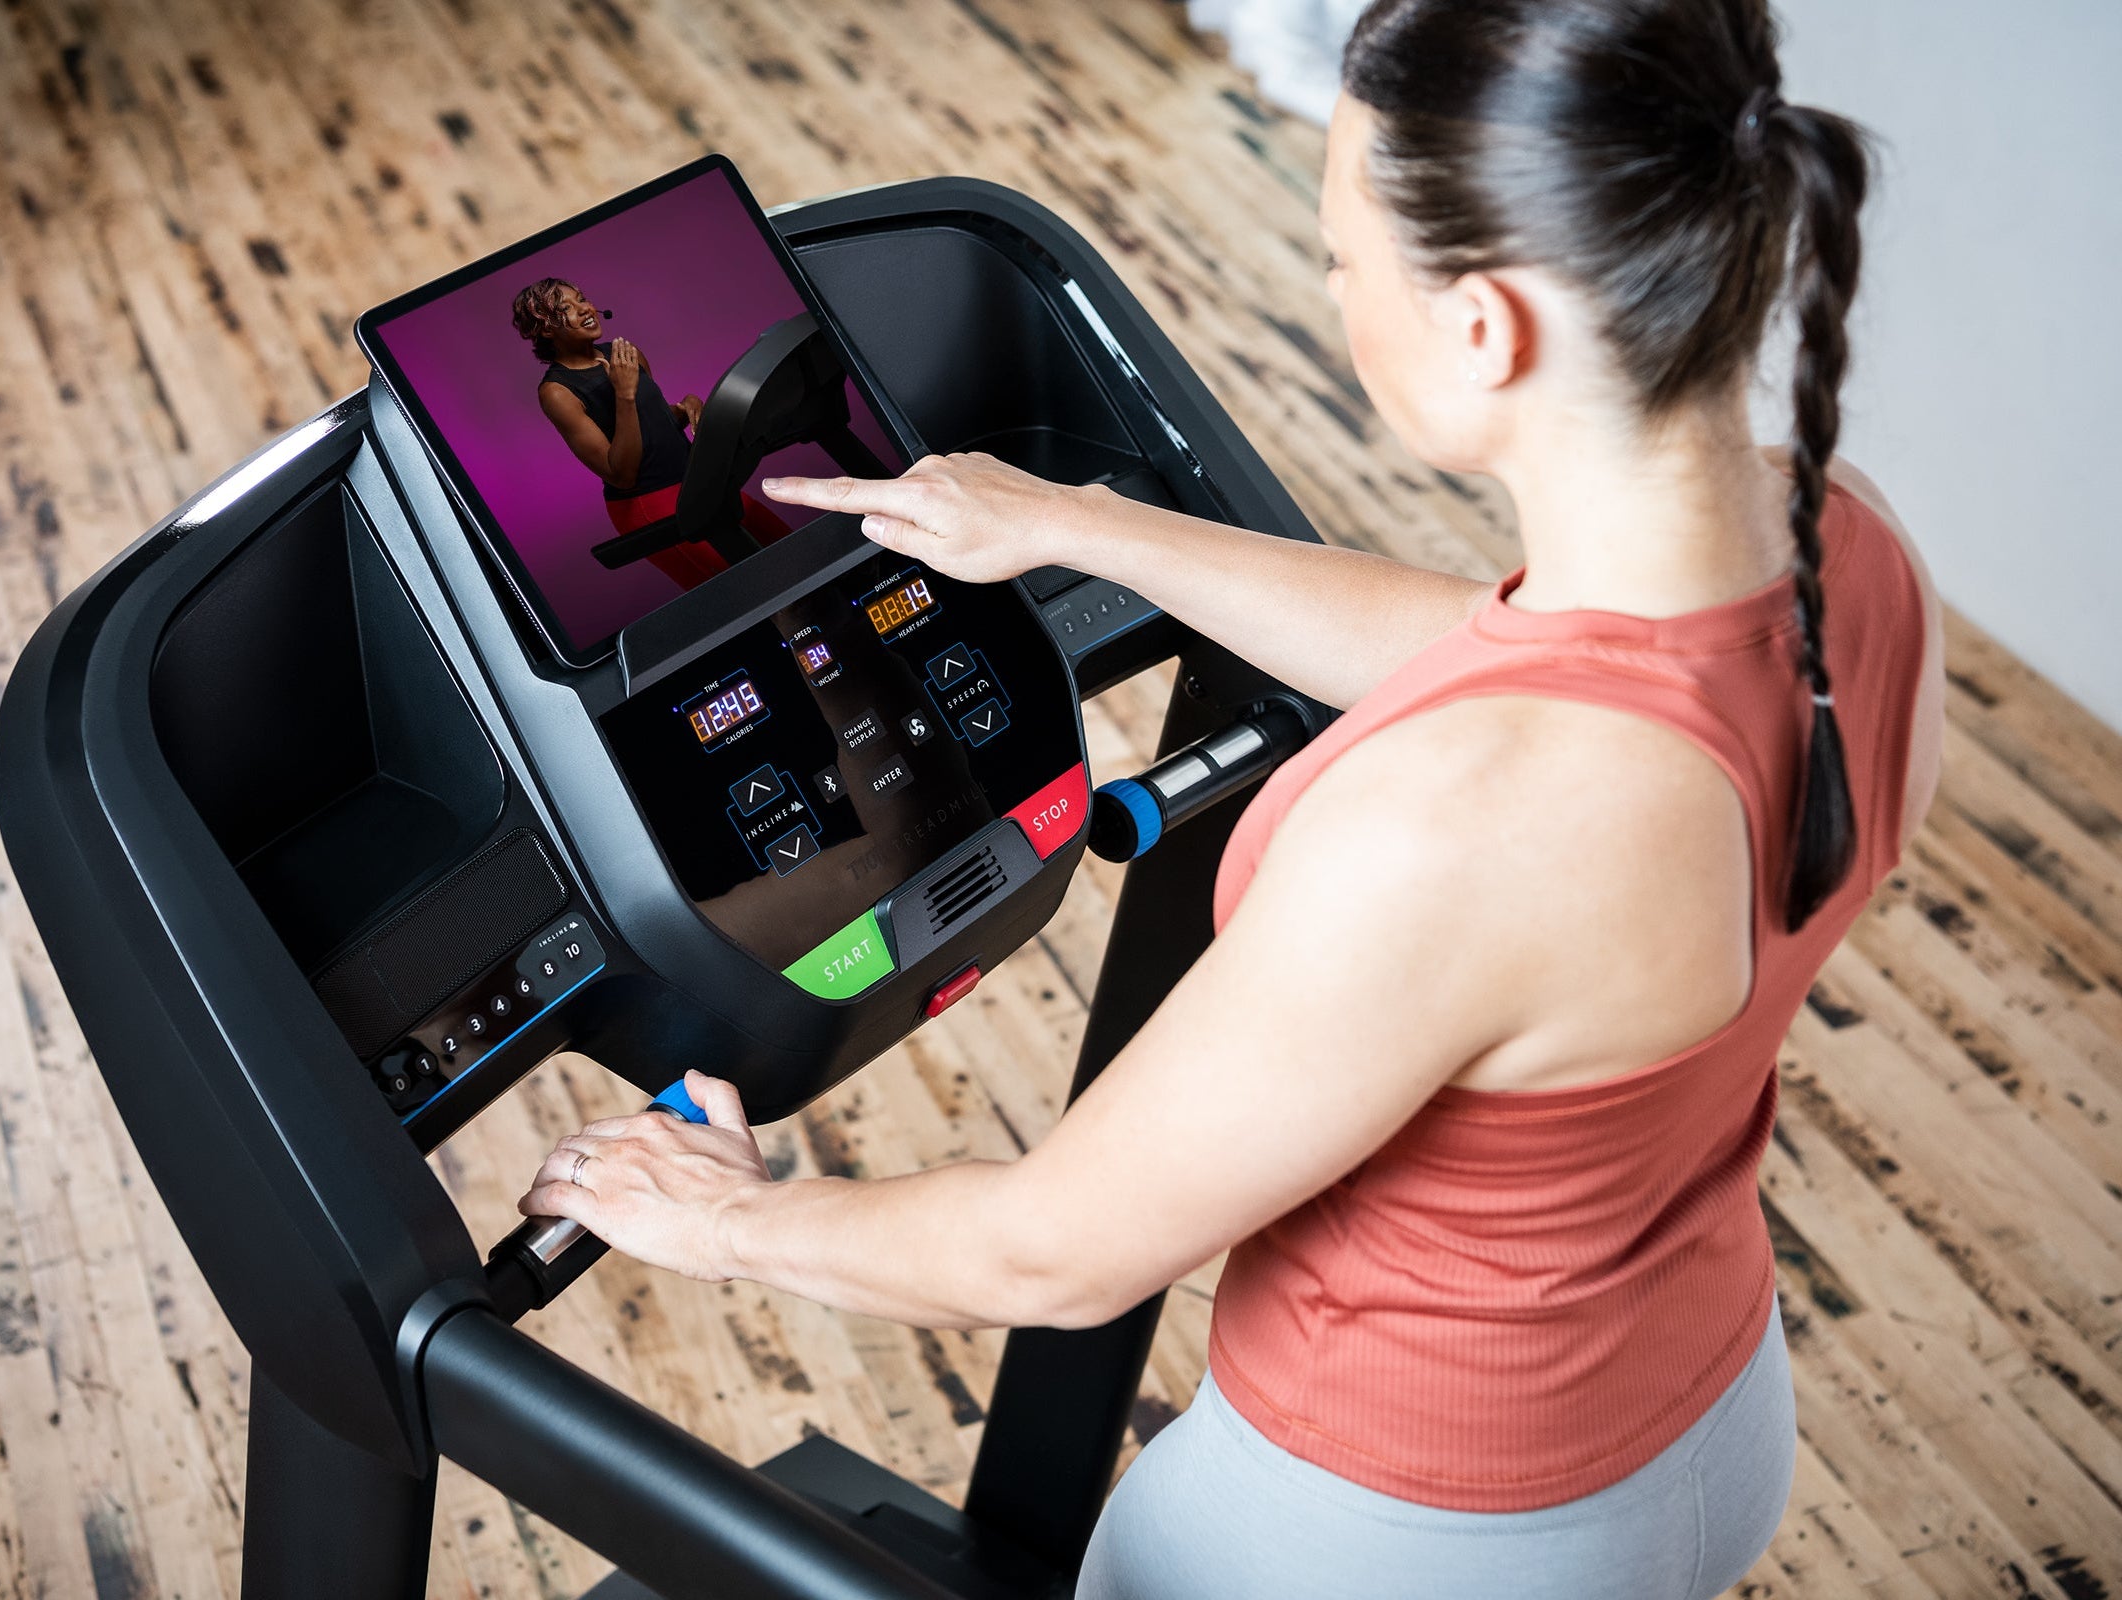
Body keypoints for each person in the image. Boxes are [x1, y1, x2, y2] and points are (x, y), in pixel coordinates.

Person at [515, 0, 1945, 1593]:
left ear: (1486, 328)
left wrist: (727, 1219)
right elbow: (1502, 657)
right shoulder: (1852, 556)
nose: (1333, 291)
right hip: (1696, 1418)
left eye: (1341, 258)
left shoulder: (1459, 829)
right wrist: (1082, 525)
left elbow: (1053, 1251)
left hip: (1400, 1529)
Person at [511, 278, 788, 590]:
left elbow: (650, 424)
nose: (585, 309)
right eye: (567, 308)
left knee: (790, 550)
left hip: (696, 482)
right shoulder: (557, 392)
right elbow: (621, 474)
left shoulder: (624, 354)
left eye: (582, 299)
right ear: (546, 329)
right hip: (647, 503)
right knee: (752, 588)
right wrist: (624, 394)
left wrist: (685, 407)